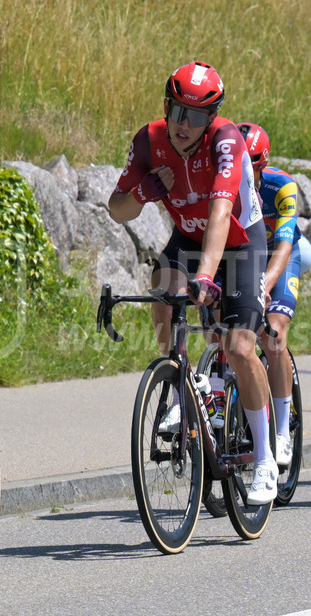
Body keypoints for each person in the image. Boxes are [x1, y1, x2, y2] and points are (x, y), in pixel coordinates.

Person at [108, 62, 279, 505]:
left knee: (240, 346)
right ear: (167, 106)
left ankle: (265, 459)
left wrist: (206, 274)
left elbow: (222, 212)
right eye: (178, 112)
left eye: (197, 116)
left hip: (240, 240)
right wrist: (143, 191)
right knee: (161, 284)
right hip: (188, 236)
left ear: (212, 118)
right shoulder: (149, 140)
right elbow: (117, 210)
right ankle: (178, 374)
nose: (184, 125)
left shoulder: (226, 141)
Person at [237, 122, 311, 470]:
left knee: (274, 335)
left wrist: (264, 286)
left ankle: (282, 431)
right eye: (238, 161)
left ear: (263, 162)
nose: (244, 170)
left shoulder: (280, 185)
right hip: (242, 256)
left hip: (281, 256)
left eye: (252, 164)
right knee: (221, 330)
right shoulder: (222, 182)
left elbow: (284, 244)